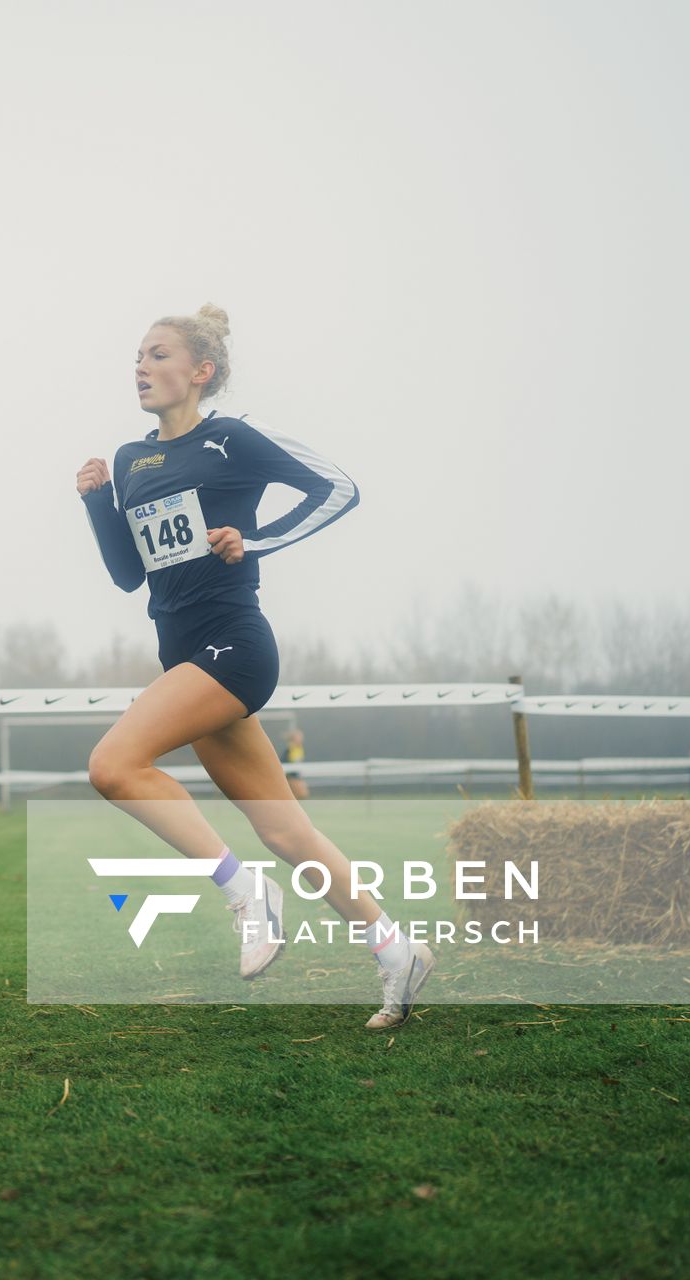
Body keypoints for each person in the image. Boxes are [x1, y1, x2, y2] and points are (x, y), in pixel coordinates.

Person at [77, 304, 432, 1030]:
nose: (140, 366)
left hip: (235, 647)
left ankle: (247, 895)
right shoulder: (128, 460)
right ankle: (397, 949)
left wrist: (256, 541)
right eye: (137, 355)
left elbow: (336, 489)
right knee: (285, 830)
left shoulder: (230, 440)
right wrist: (96, 504)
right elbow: (125, 575)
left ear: (200, 371)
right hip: (183, 654)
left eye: (158, 353)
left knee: (113, 766)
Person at [281, 729, 310, 800]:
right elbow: (285, 763)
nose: (301, 739)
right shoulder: (289, 750)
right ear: (294, 739)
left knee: (302, 795)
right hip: (291, 777)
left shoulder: (300, 749)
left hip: (297, 777)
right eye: (299, 737)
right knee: (300, 794)